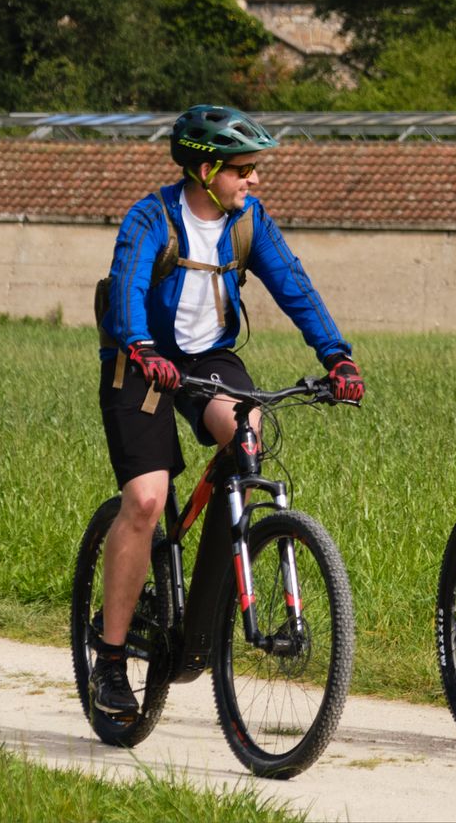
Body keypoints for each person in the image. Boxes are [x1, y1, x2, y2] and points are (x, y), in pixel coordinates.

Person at [89, 104, 364, 717]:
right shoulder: (149, 217)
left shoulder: (250, 222)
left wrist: (336, 357)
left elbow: (294, 285)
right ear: (207, 169)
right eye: (245, 170)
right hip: (141, 363)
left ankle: (208, 612)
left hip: (209, 357)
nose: (255, 180)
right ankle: (110, 659)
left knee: (247, 435)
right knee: (147, 500)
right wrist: (140, 345)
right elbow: (128, 286)